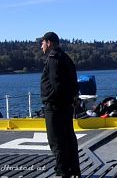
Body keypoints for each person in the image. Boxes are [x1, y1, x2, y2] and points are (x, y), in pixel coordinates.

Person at [40, 32, 81, 177]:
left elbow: (56, 84)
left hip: (55, 107)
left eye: (43, 43)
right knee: (69, 137)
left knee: (56, 140)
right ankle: (74, 169)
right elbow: (74, 83)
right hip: (66, 106)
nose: (41, 46)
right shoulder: (66, 58)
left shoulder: (53, 59)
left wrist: (55, 101)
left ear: (49, 43)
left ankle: (63, 170)